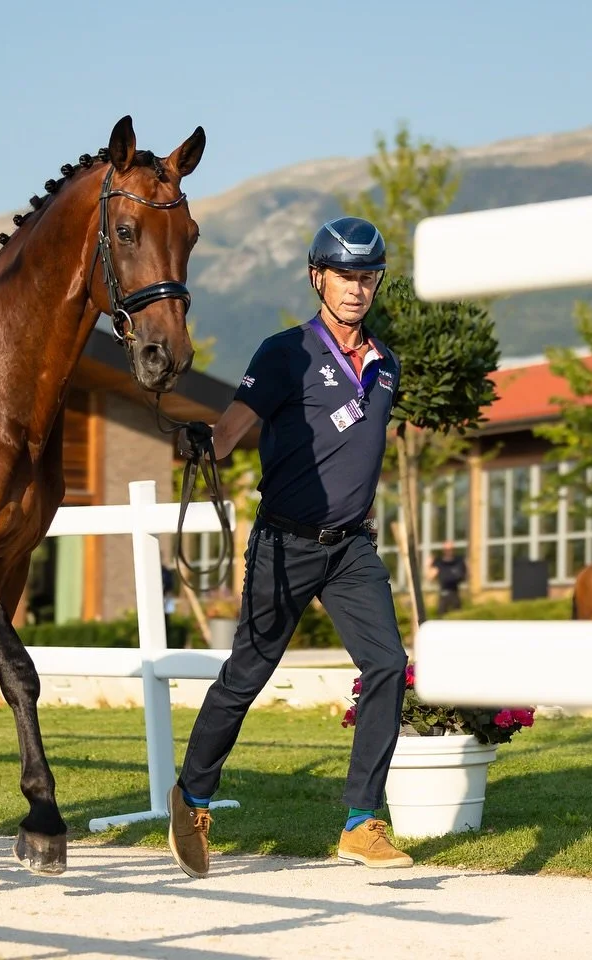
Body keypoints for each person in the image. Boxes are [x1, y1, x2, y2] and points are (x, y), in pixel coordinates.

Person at [167, 216, 412, 878]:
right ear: (317, 278)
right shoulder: (285, 353)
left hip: (350, 548)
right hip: (285, 543)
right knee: (248, 673)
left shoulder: (386, 365)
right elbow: (228, 435)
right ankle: (192, 797)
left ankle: (362, 823)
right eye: (344, 276)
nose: (356, 288)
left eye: (367, 277)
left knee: (388, 664)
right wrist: (198, 439)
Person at [430, 541, 467, 616]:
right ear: (443, 550)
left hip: (455, 593)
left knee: (456, 615)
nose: (448, 552)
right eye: (446, 550)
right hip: (443, 593)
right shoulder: (439, 562)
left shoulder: (458, 561)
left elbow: (465, 575)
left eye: (450, 549)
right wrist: (428, 566)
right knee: (441, 615)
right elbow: (430, 577)